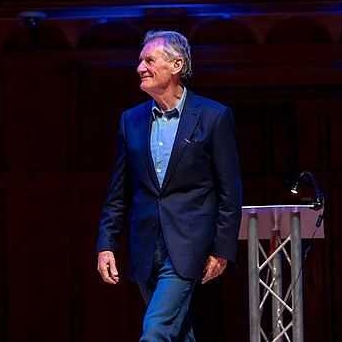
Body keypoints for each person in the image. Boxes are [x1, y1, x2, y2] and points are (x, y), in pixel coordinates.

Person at [96, 30, 242, 342]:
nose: (140, 68)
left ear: (176, 66)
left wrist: (222, 249)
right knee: (178, 333)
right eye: (140, 61)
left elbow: (230, 191)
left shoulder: (213, 116)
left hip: (190, 245)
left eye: (149, 60)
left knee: (156, 331)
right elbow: (119, 192)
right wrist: (107, 244)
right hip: (146, 245)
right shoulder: (131, 120)